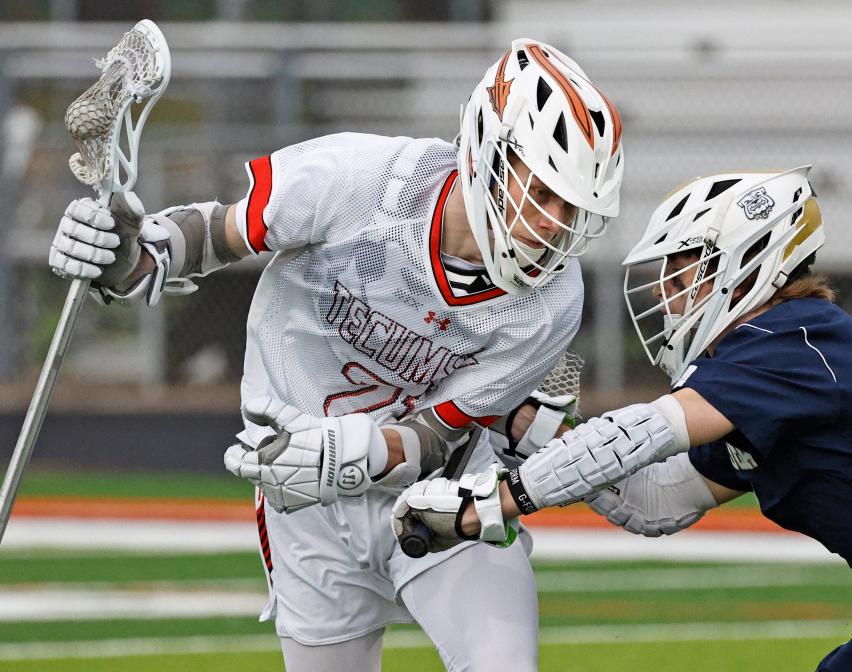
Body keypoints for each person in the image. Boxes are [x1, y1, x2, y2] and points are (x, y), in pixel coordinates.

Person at [47, 38, 623, 671]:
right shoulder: (362, 181)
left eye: (573, 208)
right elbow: (215, 235)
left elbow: (439, 434)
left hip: (441, 499)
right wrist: (131, 258)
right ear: (488, 154)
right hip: (304, 506)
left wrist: (360, 450)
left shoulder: (553, 300)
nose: (554, 225)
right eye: (542, 195)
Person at [392, 167, 852, 672]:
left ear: (749, 269)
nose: (669, 301)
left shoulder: (790, 344)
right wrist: (530, 429)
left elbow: (643, 434)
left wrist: (486, 505)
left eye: (686, 278)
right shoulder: (780, 357)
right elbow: (656, 500)